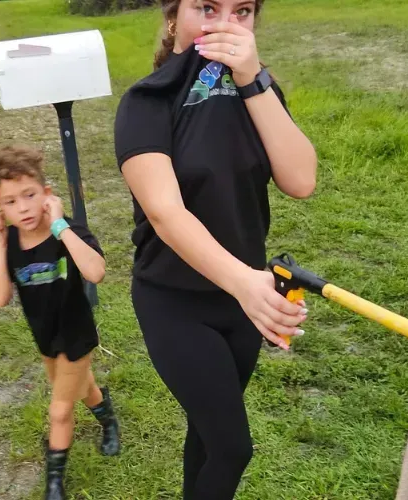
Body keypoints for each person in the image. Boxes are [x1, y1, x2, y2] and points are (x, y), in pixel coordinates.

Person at [113, 0, 318, 498]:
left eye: (241, 11)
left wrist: (252, 80)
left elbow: (301, 180)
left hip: (241, 303)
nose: (225, 24)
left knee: (206, 434)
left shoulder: (259, 93)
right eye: (207, 7)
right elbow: (165, 212)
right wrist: (247, 283)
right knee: (232, 447)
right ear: (174, 16)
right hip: (175, 301)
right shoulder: (146, 102)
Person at [0, 144, 121, 500]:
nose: (23, 208)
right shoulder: (11, 241)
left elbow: (96, 272)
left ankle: (54, 484)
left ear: (46, 193)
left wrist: (60, 226)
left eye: (30, 195)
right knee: (82, 389)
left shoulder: (66, 232)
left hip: (76, 335)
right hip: (45, 337)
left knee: (60, 410)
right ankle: (109, 420)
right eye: (10, 201)